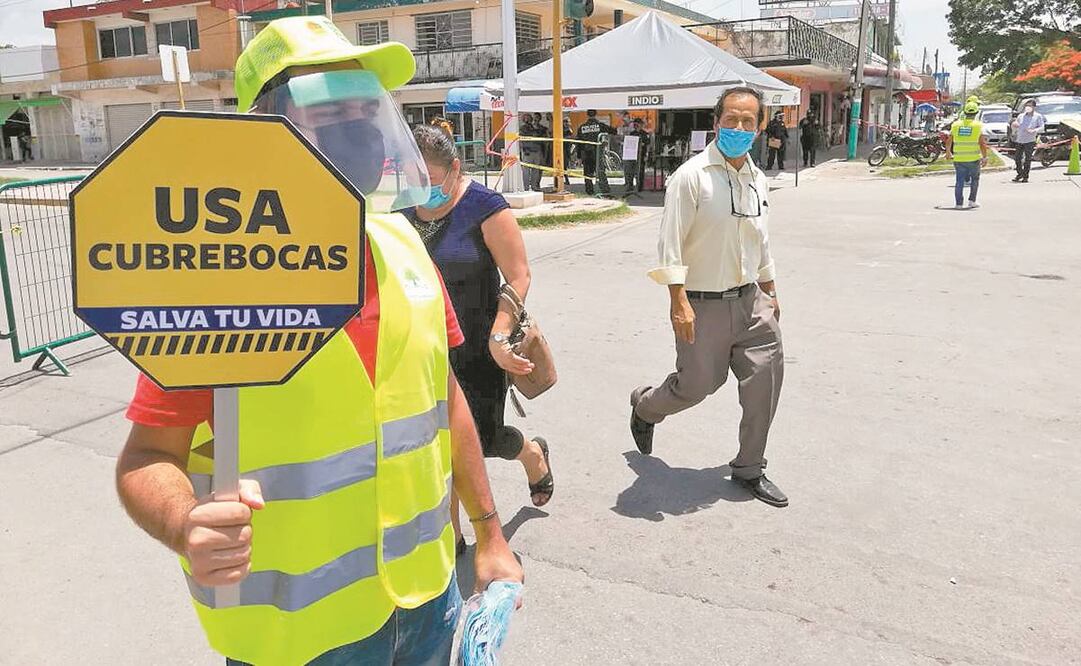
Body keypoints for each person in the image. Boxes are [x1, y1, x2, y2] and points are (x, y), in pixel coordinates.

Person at [114, 17, 523, 666]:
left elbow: (443, 402)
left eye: (368, 108)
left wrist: (489, 532)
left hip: (426, 597)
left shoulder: (399, 244)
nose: (359, 128)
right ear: (263, 130)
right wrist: (183, 522)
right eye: (332, 110)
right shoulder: (213, 281)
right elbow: (145, 457)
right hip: (296, 640)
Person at [629, 86, 788, 508]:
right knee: (698, 385)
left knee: (765, 384)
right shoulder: (691, 177)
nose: (739, 127)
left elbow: (761, 239)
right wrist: (677, 300)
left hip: (751, 300)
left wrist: (770, 289)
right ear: (716, 121)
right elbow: (670, 244)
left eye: (748, 121)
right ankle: (646, 406)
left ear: (760, 125)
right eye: (731, 119)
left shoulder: (756, 177)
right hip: (703, 302)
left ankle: (750, 468)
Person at [403, 124, 555, 553]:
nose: (420, 191)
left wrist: (500, 335)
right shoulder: (400, 209)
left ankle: (532, 454)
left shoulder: (484, 207)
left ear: (454, 169)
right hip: (422, 351)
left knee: (485, 441)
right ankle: (450, 541)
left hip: (479, 349)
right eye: (412, 181)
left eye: (430, 182)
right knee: (439, 450)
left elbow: (520, 274)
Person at [944, 100, 989, 209]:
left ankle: (958, 204)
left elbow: (949, 140)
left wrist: (948, 152)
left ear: (965, 112)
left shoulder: (956, 125)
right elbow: (982, 143)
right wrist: (985, 157)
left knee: (959, 181)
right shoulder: (978, 125)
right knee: (975, 180)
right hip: (973, 158)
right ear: (976, 113)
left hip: (959, 158)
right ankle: (972, 201)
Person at [576, 109, 615, 195]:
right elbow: (613, 131)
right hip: (597, 153)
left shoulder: (582, 127)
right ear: (596, 114)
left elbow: (578, 143)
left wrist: (579, 157)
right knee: (600, 171)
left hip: (586, 154)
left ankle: (589, 191)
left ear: (587, 115)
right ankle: (605, 190)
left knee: (587, 173)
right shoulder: (600, 125)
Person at [1011, 99, 1045, 183]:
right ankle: (1020, 173)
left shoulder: (1038, 116)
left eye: (1030, 106)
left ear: (1034, 107)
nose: (1028, 108)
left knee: (1027, 159)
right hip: (1020, 140)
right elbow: (1015, 125)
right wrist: (1014, 125)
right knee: (1017, 158)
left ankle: (1025, 176)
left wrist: (1034, 130)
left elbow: (1042, 127)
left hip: (1030, 140)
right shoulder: (1021, 116)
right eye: (1027, 106)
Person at [622, 117, 649, 195]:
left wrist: (646, 155)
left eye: (637, 124)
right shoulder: (632, 133)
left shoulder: (644, 134)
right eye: (635, 124)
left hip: (641, 155)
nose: (636, 126)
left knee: (640, 171)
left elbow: (647, 145)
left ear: (641, 125)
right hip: (632, 155)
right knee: (631, 171)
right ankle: (630, 186)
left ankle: (639, 187)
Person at [519, 114, 545, 192]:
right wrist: (524, 149)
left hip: (537, 151)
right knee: (526, 170)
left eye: (536, 118)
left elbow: (543, 136)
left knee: (536, 170)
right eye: (533, 118)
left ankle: (534, 186)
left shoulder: (539, 128)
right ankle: (525, 187)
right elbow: (521, 140)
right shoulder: (524, 128)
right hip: (527, 152)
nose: (534, 120)